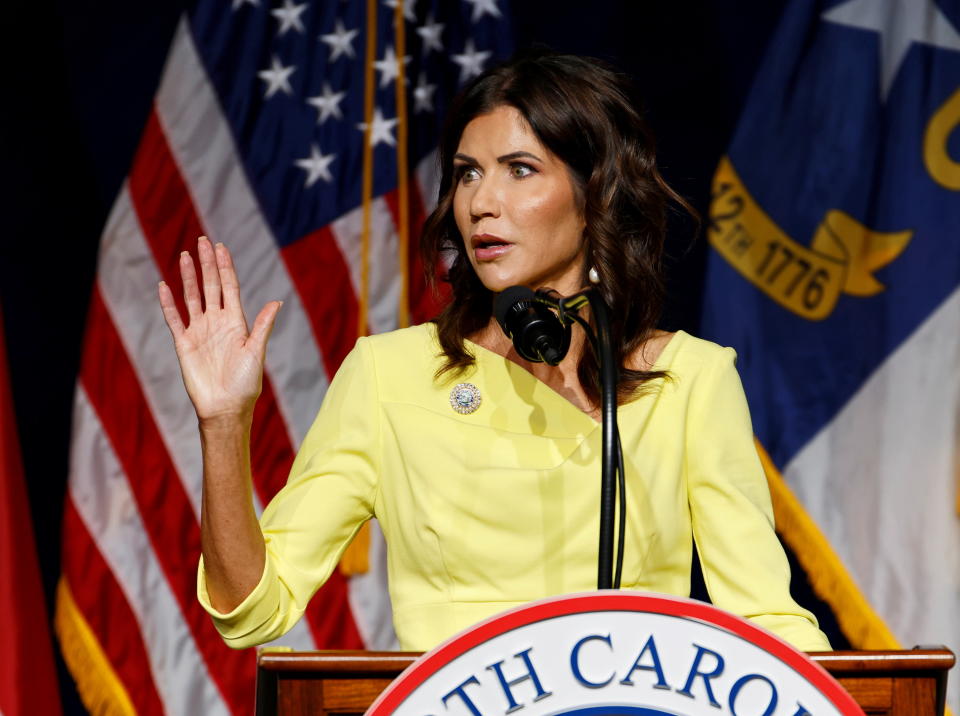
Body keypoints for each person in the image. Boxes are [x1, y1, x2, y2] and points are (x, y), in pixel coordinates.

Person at [158, 51, 830, 653]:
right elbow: (252, 612)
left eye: (519, 170)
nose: (481, 202)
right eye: (467, 174)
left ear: (596, 194)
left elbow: (768, 619)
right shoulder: (389, 376)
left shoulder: (690, 379)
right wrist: (223, 425)